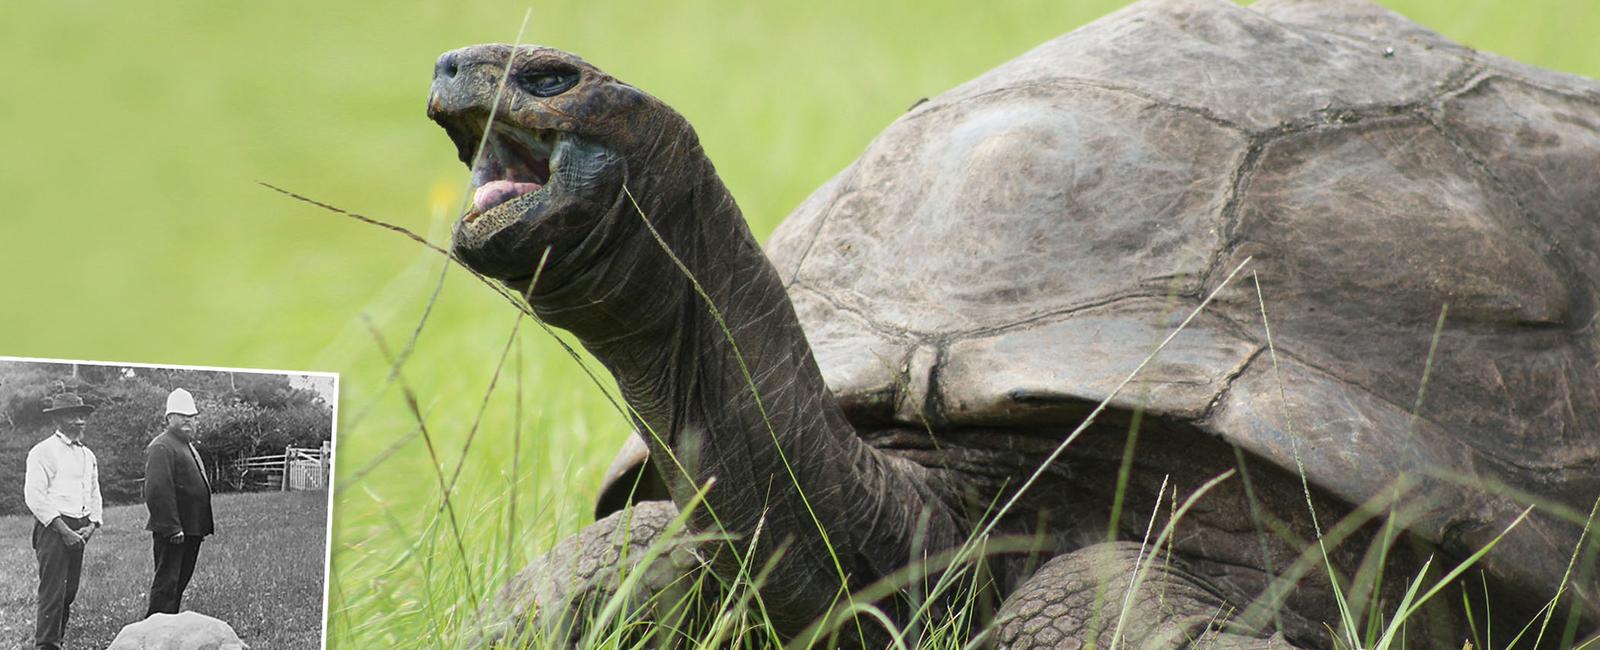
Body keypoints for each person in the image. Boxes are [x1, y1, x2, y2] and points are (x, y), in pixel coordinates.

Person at [24, 393, 103, 650]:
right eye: (73, 415)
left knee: (69, 592)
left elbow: (94, 491)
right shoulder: (43, 452)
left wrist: (92, 524)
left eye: (83, 416)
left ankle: (57, 640)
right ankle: (46, 645)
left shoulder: (87, 455)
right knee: (53, 594)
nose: (80, 421)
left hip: (80, 527)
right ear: (57, 419)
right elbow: (35, 497)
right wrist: (64, 531)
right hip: (53, 529)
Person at [143, 387, 214, 616]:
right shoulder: (162, 446)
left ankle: (169, 628)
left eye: (192, 416)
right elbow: (157, 491)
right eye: (182, 415)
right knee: (167, 586)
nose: (188, 420)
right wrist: (173, 527)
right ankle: (154, 633)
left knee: (178, 584)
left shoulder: (187, 445)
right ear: (168, 418)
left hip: (191, 529)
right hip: (175, 532)